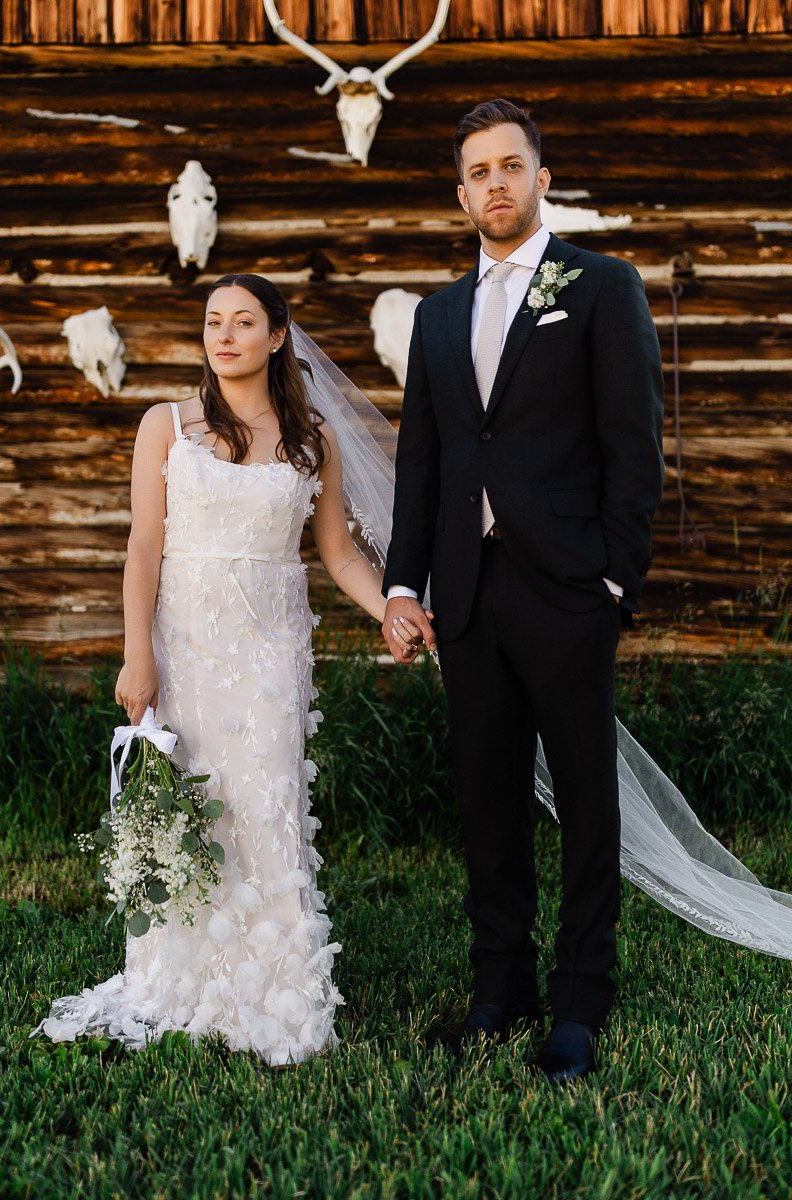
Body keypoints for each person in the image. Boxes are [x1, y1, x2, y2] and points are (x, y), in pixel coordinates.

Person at [32, 273, 425, 1065]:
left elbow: (339, 554)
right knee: (192, 806)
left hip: (272, 652)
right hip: (184, 647)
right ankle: (180, 978)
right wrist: (136, 653)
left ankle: (273, 988)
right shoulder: (166, 425)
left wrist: (387, 605)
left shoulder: (311, 436)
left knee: (265, 806)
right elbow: (145, 545)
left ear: (277, 336)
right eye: (214, 321)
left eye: (244, 322)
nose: (225, 335)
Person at [381, 98, 665, 1083]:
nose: (494, 184)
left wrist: (613, 579)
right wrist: (402, 584)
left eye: (510, 165)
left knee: (585, 801)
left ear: (540, 178)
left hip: (566, 588)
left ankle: (579, 996)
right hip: (464, 593)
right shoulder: (438, 315)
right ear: (459, 193)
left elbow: (633, 448)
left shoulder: (597, 286)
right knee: (487, 801)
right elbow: (423, 461)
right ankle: (497, 988)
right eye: (477, 171)